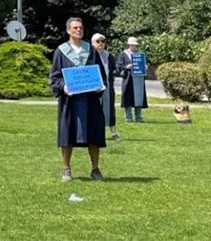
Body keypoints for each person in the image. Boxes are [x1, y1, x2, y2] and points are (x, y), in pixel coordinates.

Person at [49, 17, 106, 182]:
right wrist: (63, 87)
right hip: (70, 101)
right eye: (75, 28)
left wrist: (99, 85)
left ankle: (95, 169)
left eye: (80, 28)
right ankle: (66, 169)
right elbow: (55, 77)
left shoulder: (91, 50)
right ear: (68, 31)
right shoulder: (61, 51)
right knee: (67, 133)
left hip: (90, 100)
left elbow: (100, 74)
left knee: (94, 133)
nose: (79, 30)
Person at [92, 34, 119, 140]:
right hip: (93, 89)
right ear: (93, 43)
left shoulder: (109, 56)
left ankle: (113, 133)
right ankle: (95, 133)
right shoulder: (88, 55)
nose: (101, 43)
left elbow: (114, 69)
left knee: (110, 109)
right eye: (98, 41)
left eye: (103, 41)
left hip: (107, 87)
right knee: (94, 110)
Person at [115, 37, 147, 123]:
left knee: (139, 97)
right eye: (132, 45)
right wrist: (126, 67)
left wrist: (145, 67)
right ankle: (128, 118)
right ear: (129, 44)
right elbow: (118, 66)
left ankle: (138, 117)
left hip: (138, 79)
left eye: (135, 45)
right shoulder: (123, 54)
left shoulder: (140, 54)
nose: (134, 46)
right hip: (128, 79)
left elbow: (143, 65)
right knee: (127, 97)